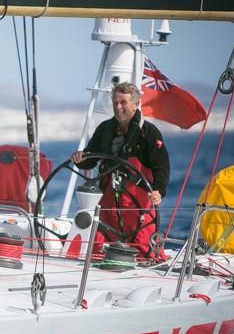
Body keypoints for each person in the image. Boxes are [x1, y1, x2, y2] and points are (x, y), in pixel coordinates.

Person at [70, 81, 169, 259]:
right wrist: (79, 159)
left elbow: (162, 166)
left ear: (136, 104)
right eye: (115, 102)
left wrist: (159, 191)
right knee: (99, 245)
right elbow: (90, 159)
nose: (118, 107)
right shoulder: (105, 129)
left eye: (123, 102)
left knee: (143, 247)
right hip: (108, 199)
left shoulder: (149, 132)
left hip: (138, 203)